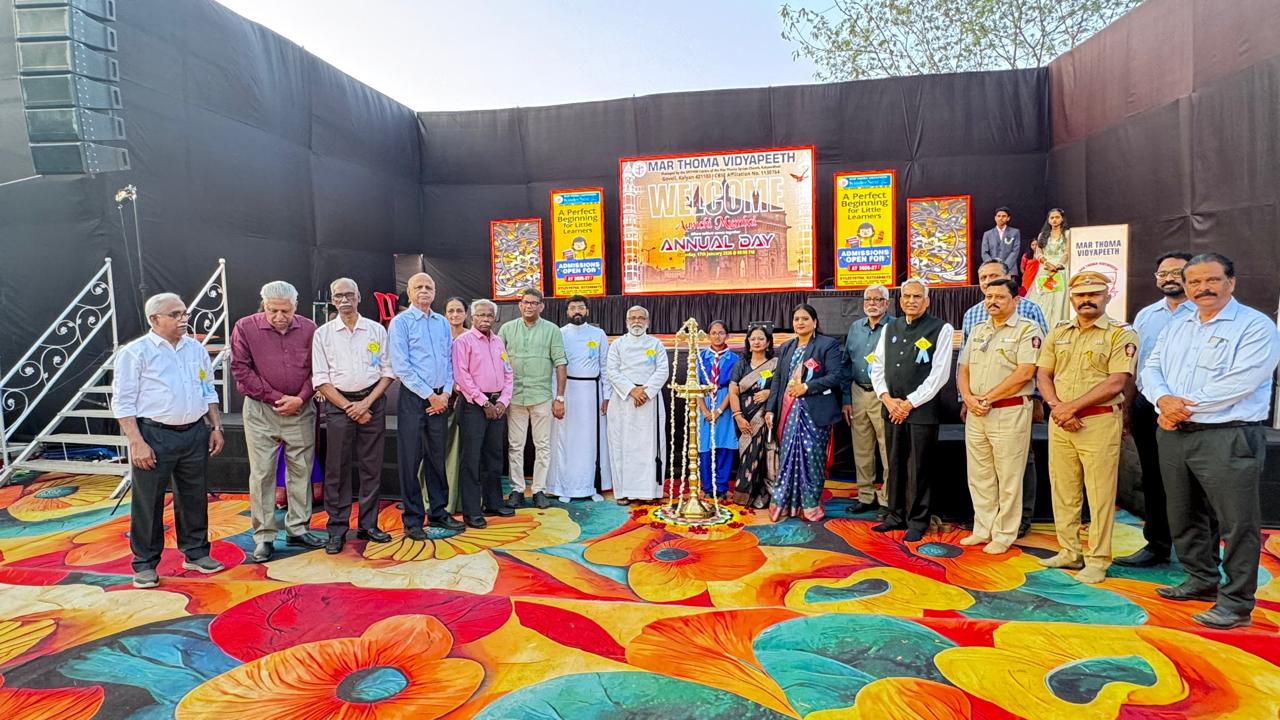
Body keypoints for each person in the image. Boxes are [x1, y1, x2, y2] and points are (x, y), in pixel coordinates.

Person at [1141, 253, 1280, 630]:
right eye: (1194, 282)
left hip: (1228, 435)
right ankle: (1201, 578)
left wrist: (1179, 407)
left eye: (1212, 280)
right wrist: (1162, 400)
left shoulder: (1255, 326)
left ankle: (1236, 603)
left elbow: (1242, 381)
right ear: (1186, 287)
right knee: (1183, 514)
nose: (1203, 288)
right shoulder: (1178, 324)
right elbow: (1151, 367)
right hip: (1175, 434)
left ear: (1231, 282)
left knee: (1237, 523)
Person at [113, 293, 226, 588]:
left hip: (194, 432)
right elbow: (123, 402)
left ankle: (196, 553)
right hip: (153, 434)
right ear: (154, 319)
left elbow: (208, 389)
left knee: (194, 495)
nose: (183, 319)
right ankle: (145, 563)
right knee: (148, 501)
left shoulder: (195, 349)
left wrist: (215, 426)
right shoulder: (135, 353)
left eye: (184, 313)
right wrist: (136, 442)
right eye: (175, 314)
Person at [1035, 270, 1136, 584]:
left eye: (1094, 294)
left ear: (1107, 296)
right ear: (1071, 298)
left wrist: (1070, 408)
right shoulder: (1059, 331)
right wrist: (1057, 407)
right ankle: (1069, 551)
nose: (1087, 300)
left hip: (1098, 421)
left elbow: (1117, 381)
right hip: (1061, 421)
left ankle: (1098, 560)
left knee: (1100, 494)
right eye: (1080, 295)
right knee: (1063, 489)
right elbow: (1043, 374)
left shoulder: (1121, 334)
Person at [230, 280, 325, 564]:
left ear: (296, 306)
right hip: (261, 410)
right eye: (273, 310)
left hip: (300, 409)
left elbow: (318, 369)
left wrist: (301, 397)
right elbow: (240, 369)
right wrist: (276, 397)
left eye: (286, 311)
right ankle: (264, 536)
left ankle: (298, 528)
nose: (280, 317)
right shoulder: (245, 327)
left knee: (301, 469)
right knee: (262, 473)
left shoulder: (309, 328)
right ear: (264, 305)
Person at [1114, 252, 1195, 567]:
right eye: (1163, 273)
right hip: (1148, 406)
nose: (1169, 278)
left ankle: (1198, 556)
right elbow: (1136, 366)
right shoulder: (1147, 316)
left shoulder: (1203, 313)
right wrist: (1127, 407)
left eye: (1176, 272)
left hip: (1191, 409)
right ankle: (1157, 545)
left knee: (1194, 482)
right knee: (1153, 477)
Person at [961, 259, 1049, 537]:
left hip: (1009, 411)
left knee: (1010, 476)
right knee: (980, 475)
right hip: (977, 413)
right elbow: (963, 368)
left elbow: (1026, 372)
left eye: (1000, 296)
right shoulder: (978, 327)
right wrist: (968, 398)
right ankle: (983, 528)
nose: (992, 301)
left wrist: (986, 398)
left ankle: (1005, 533)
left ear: (1015, 300)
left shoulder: (1027, 327)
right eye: (989, 296)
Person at [312, 278, 395, 555]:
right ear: (332, 300)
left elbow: (387, 372)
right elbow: (320, 379)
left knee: (372, 466)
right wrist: (350, 407)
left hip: (373, 403)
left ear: (359, 297)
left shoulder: (375, 330)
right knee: (337, 468)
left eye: (349, 295)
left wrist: (366, 403)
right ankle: (337, 529)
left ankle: (368, 525)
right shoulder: (323, 334)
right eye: (339, 296)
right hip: (339, 405)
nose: (344, 300)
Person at [870, 279, 954, 541]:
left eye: (917, 296)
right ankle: (895, 515)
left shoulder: (941, 329)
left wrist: (909, 403)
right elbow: (877, 366)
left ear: (927, 301)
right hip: (891, 408)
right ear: (900, 300)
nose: (911, 301)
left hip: (921, 411)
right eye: (906, 296)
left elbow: (940, 375)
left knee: (919, 467)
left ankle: (918, 520)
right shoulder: (890, 327)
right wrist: (886, 398)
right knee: (894, 463)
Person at [389, 272, 464, 540]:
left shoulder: (442, 322)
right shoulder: (400, 323)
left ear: (434, 292)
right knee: (410, 460)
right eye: (418, 287)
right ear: (409, 293)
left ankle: (438, 511)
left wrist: (445, 393)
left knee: (436, 456)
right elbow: (401, 367)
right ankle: (412, 519)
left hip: (440, 398)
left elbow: (449, 361)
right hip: (413, 398)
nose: (424, 291)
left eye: (428, 287)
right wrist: (430, 395)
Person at [764, 304, 848, 522]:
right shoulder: (787, 347)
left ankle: (810, 506)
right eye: (796, 319)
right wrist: (770, 409)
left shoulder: (827, 344)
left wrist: (807, 387)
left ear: (814, 322)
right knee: (787, 458)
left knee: (812, 458)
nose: (800, 323)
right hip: (788, 412)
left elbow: (836, 376)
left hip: (815, 412)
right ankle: (784, 504)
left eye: (805, 319)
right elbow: (778, 381)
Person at [498, 288, 568, 509]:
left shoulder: (552, 330)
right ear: (520, 305)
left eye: (534, 303)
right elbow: (497, 361)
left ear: (541, 306)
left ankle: (539, 490)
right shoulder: (507, 329)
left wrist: (560, 398)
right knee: (515, 446)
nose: (529, 306)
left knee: (543, 445)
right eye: (526, 302)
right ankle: (517, 490)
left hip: (541, 397)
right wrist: (500, 396)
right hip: (514, 397)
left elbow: (560, 363)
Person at [451, 299, 516, 529]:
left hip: (497, 406)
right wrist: (484, 402)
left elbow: (508, 373)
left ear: (495, 318)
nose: (485, 319)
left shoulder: (498, 342)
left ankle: (493, 502)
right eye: (481, 315)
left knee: (494, 456)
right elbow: (462, 376)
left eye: (489, 315)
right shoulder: (463, 341)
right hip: (473, 407)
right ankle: (471, 511)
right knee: (471, 459)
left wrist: (503, 401)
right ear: (472, 317)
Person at [547, 295, 612, 503]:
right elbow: (554, 367)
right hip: (567, 391)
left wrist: (607, 396)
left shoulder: (598, 334)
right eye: (573, 307)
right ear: (567, 312)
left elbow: (605, 366)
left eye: (581, 307)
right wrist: (557, 397)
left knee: (591, 440)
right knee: (566, 440)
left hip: (592, 393)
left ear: (587, 311)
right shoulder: (559, 334)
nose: (577, 311)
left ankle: (591, 486)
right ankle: (565, 487)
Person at [605, 306, 669, 505]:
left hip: (649, 401)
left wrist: (645, 392)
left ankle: (649, 491)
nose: (637, 321)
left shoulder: (656, 344)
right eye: (632, 318)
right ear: (626, 322)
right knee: (621, 446)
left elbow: (663, 370)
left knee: (650, 447)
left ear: (647, 322)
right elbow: (612, 371)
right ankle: (623, 492)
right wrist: (632, 390)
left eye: (641, 318)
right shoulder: (617, 345)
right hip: (623, 401)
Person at [841, 285, 892, 516]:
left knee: (887, 450)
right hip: (858, 392)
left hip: (884, 395)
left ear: (886, 303)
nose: (872, 303)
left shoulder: (895, 327)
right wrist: (846, 398)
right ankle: (866, 496)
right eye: (868, 299)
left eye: (877, 299)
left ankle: (888, 500)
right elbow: (845, 364)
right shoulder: (855, 328)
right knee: (862, 449)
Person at [728, 325, 778, 508]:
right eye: (753, 339)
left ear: (768, 342)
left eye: (761, 338)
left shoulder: (775, 364)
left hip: (765, 417)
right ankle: (744, 495)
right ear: (748, 342)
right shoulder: (741, 364)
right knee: (747, 455)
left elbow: (781, 388)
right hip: (744, 418)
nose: (756, 342)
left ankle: (764, 495)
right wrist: (738, 417)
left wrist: (768, 393)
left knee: (764, 456)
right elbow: (733, 392)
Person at [696, 320, 739, 497]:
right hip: (704, 402)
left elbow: (734, 387)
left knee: (724, 445)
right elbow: (695, 385)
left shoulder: (735, 359)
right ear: (708, 336)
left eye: (721, 333)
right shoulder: (700, 357)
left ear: (727, 335)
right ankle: (707, 487)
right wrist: (705, 410)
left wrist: (719, 410)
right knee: (704, 446)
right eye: (713, 333)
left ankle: (721, 487)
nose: (717, 336)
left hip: (725, 403)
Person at [442, 296, 469, 514]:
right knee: (441, 448)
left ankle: (461, 499)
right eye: (450, 311)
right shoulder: (439, 337)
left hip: (469, 401)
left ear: (466, 314)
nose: (455, 315)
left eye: (459, 310)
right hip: (442, 400)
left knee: (464, 451)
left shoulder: (473, 337)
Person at [1025, 208, 1072, 327]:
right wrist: (1047, 263)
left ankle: (1058, 326)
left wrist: (1058, 266)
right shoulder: (1043, 235)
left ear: (1062, 219)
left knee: (1059, 298)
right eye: (1052, 218)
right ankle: (1042, 327)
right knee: (1043, 298)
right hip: (1045, 270)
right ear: (1048, 220)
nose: (1054, 220)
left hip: (1061, 269)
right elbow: (1038, 252)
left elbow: (1067, 252)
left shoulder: (1068, 234)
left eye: (1057, 217)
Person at [980, 207, 1022, 288]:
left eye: (1003, 216)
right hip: (992, 271)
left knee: (1009, 292)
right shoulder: (987, 234)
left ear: (1008, 218)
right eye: (998, 216)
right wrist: (993, 266)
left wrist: (1004, 267)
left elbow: (1015, 251)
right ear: (995, 218)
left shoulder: (1015, 232)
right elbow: (984, 252)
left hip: (1009, 270)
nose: (1001, 218)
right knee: (994, 292)